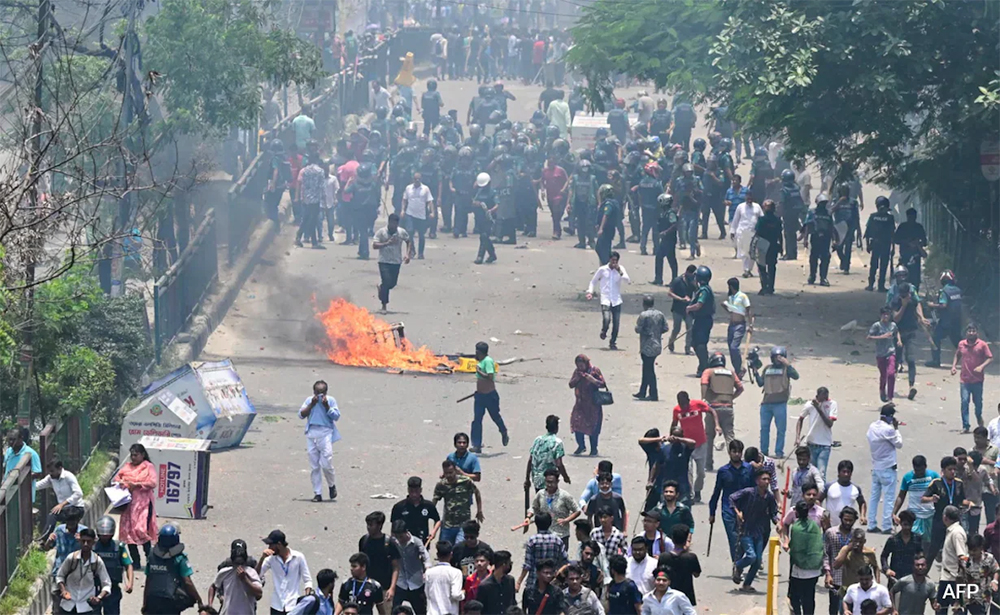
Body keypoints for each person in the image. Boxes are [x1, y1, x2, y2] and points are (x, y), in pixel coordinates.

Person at [730, 468, 779, 593]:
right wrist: (738, 513)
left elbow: (773, 513)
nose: (767, 482)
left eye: (768, 479)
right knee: (751, 556)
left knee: (757, 561)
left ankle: (746, 584)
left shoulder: (769, 497)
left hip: (760, 532)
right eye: (764, 479)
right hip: (746, 530)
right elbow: (732, 498)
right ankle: (738, 565)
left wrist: (778, 523)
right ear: (757, 481)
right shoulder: (748, 492)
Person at [887, 266, 930, 401]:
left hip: (910, 331)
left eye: (903, 275)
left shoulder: (911, 290)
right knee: (896, 361)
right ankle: (890, 387)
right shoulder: (893, 294)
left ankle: (911, 386)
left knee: (911, 359)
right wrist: (903, 305)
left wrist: (921, 317)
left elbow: (917, 304)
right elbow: (895, 317)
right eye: (899, 276)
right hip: (898, 333)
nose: (902, 278)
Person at [143, 524, 206, 615]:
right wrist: (198, 599)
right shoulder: (180, 558)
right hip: (171, 601)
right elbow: (187, 582)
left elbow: (148, 581)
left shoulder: (152, 556)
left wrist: (145, 603)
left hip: (153, 600)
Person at [671, 391, 721, 501]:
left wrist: (717, 425)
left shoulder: (698, 404)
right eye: (680, 404)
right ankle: (690, 494)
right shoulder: (677, 410)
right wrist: (671, 439)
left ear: (688, 401)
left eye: (684, 404)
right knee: (688, 471)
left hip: (701, 443)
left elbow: (712, 411)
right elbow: (674, 424)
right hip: (686, 445)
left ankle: (698, 490)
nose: (682, 406)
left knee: (701, 473)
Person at [709, 439, 753, 563]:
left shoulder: (749, 469)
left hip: (746, 509)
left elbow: (754, 489)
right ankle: (737, 565)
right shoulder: (723, 471)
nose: (737, 454)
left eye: (739, 452)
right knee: (733, 538)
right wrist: (712, 513)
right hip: (728, 510)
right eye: (734, 451)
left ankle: (740, 560)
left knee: (745, 538)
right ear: (729, 452)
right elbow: (717, 492)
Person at [115, 442, 157, 568]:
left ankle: (150, 560)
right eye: (132, 455)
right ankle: (136, 562)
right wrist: (123, 483)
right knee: (128, 534)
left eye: (136, 455)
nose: (133, 458)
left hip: (143, 505)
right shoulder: (126, 467)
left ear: (142, 455)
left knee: (141, 531)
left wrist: (137, 484)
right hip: (128, 505)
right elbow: (117, 479)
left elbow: (153, 482)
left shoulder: (148, 467)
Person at [921, 456, 969, 564]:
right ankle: (922, 575)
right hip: (940, 520)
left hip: (955, 522)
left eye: (954, 469)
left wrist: (969, 503)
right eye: (950, 469)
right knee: (932, 550)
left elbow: (962, 500)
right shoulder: (936, 483)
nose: (952, 472)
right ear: (943, 471)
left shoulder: (959, 483)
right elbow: (923, 499)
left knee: (958, 548)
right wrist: (931, 499)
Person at [700, 351, 744, 471]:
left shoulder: (708, 371)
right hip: (728, 408)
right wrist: (731, 398)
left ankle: (708, 464)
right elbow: (740, 388)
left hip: (712, 407)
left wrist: (703, 399)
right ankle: (736, 461)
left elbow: (704, 383)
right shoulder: (731, 373)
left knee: (709, 436)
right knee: (729, 436)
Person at [299, 380, 341, 502]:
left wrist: (326, 406)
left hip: (325, 433)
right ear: (314, 392)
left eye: (322, 393)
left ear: (326, 393)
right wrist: (311, 404)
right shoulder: (309, 401)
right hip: (311, 433)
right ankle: (317, 493)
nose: (319, 396)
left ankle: (331, 485)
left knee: (327, 463)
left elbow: (336, 416)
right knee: (314, 466)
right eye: (317, 393)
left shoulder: (331, 401)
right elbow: (301, 415)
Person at [55, 528, 111, 615]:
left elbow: (107, 584)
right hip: (68, 605)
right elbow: (60, 576)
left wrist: (98, 598)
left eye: (88, 541)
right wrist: (63, 591)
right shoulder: (71, 558)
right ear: (79, 541)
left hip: (86, 608)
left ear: (93, 542)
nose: (85, 544)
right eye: (83, 541)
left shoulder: (97, 561)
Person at [256, 529, 313, 614]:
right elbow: (257, 575)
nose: (269, 548)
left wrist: (307, 597)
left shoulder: (298, 557)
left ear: (279, 544)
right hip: (276, 605)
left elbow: (307, 580)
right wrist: (262, 559)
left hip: (293, 605)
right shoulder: (271, 559)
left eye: (271, 545)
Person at [867, 404, 903, 534]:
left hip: (876, 466)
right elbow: (899, 444)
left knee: (874, 497)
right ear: (890, 417)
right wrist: (896, 428)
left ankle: (871, 523)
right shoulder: (889, 430)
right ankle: (887, 525)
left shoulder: (872, 427)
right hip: (888, 467)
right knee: (888, 498)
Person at [785, 500, 825, 615]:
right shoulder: (814, 526)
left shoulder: (796, 528)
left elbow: (795, 549)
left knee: (795, 596)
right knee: (809, 597)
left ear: (796, 512)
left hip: (799, 569)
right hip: (814, 569)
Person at [952, 323, 994, 433]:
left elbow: (990, 358)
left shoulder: (982, 345)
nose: (971, 333)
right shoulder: (962, 344)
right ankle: (966, 426)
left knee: (978, 403)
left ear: (977, 332)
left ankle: (979, 416)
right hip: (964, 379)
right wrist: (954, 366)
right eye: (969, 331)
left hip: (977, 380)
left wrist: (981, 367)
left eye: (973, 331)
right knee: (964, 402)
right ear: (966, 333)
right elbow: (957, 354)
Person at [893, 455, 940, 550]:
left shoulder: (933, 476)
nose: (918, 473)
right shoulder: (907, 477)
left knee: (928, 543)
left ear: (925, 466)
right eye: (916, 470)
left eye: (921, 470)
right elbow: (901, 496)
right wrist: (894, 513)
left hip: (929, 515)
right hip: (914, 517)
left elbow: (941, 491)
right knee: (913, 541)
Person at [586, 251, 630, 350]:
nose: (614, 262)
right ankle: (604, 330)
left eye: (616, 260)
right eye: (613, 260)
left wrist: (619, 271)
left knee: (616, 323)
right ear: (609, 259)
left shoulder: (620, 269)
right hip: (605, 298)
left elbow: (628, 281)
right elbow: (593, 281)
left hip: (616, 299)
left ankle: (613, 342)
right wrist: (590, 292)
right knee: (606, 319)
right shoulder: (602, 270)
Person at [470, 340, 508, 453]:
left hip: (490, 396)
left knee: (495, 416)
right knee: (477, 420)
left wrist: (479, 371)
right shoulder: (481, 361)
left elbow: (490, 377)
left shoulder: (488, 361)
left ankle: (503, 431)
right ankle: (476, 445)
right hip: (480, 396)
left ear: (479, 352)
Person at [516, 512, 569, 594]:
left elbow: (527, 564)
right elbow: (565, 561)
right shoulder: (557, 540)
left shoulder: (532, 540)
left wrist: (519, 582)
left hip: (534, 582)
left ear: (536, 524)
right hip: (553, 583)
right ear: (550, 523)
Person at [434, 460, 484, 545]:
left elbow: (477, 493)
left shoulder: (466, 481)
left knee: (459, 548)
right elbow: (434, 500)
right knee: (444, 549)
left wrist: (479, 510)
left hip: (463, 523)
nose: (449, 475)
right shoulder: (441, 485)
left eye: (451, 472)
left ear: (455, 471)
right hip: (448, 524)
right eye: (446, 473)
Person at [528, 470, 581, 550]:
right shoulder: (540, 494)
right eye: (547, 482)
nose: (549, 485)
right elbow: (534, 507)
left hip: (561, 535)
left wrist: (566, 520)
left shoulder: (564, 496)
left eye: (552, 482)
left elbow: (577, 510)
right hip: (544, 535)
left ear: (557, 481)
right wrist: (528, 517)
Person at [208, 539, 263, 615]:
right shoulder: (225, 570)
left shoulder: (251, 571)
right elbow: (213, 586)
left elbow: (259, 594)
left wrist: (245, 579)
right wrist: (210, 605)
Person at [92, 517, 134, 615]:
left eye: (107, 535)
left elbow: (128, 565)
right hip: (94, 587)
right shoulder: (92, 546)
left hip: (112, 588)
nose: (105, 537)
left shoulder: (118, 547)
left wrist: (130, 583)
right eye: (102, 535)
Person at [359, 512, 401, 610]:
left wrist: (392, 588)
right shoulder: (364, 541)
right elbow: (361, 563)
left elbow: (396, 567)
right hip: (367, 586)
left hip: (385, 587)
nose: (368, 527)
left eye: (371, 525)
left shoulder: (389, 542)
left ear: (379, 525)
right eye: (367, 524)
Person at [37, 457, 84, 542]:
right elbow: (39, 485)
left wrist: (62, 504)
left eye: (52, 471)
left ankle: (44, 538)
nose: (50, 473)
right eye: (49, 471)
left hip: (76, 507)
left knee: (54, 515)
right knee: (54, 518)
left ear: (60, 468)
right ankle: (47, 540)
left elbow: (79, 493)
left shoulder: (68, 476)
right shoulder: (51, 478)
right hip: (65, 509)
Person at [795, 387, 838, 481]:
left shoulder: (832, 404)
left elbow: (829, 424)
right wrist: (797, 437)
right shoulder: (809, 405)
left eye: (826, 397)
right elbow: (800, 419)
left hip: (825, 444)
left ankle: (821, 494)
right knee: (810, 474)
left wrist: (818, 408)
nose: (825, 400)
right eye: (823, 398)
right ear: (817, 396)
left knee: (821, 474)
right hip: (811, 443)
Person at [372, 213, 413, 312]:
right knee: (386, 282)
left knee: (392, 284)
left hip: (396, 261)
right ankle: (384, 306)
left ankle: (381, 288)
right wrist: (386, 243)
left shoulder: (401, 232)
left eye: (395, 224)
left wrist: (408, 254)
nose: (393, 226)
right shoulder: (381, 232)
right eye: (392, 223)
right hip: (384, 261)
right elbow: (374, 245)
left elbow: (408, 241)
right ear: (389, 222)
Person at [824, 507, 860, 613]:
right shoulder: (831, 533)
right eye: (846, 520)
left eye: (851, 520)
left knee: (849, 610)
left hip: (852, 579)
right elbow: (826, 554)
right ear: (841, 518)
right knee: (834, 608)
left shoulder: (857, 535)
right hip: (835, 578)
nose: (848, 523)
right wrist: (828, 573)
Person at [569, 354, 606, 456]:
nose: (580, 368)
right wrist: (578, 378)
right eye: (578, 365)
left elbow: (603, 384)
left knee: (593, 427)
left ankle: (594, 449)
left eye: (582, 365)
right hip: (580, 404)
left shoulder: (594, 371)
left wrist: (592, 380)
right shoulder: (577, 372)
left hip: (593, 405)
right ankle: (581, 446)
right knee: (577, 424)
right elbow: (571, 384)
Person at [634, 295, 668, 402]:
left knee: (649, 370)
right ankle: (642, 391)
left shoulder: (643, 315)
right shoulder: (660, 314)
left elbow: (638, 329)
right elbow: (665, 328)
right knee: (647, 368)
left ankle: (653, 393)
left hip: (646, 345)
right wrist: (656, 332)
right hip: (657, 344)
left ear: (644, 304)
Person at [926, 270, 964, 367]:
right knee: (958, 342)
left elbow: (943, 305)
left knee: (935, 338)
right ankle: (971, 358)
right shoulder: (958, 290)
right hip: (957, 320)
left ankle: (936, 361)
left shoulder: (944, 292)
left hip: (946, 321)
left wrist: (932, 305)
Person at [390, 520, 429, 613]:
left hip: (416, 583)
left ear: (406, 532)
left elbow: (426, 558)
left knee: (420, 611)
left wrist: (427, 571)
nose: (399, 539)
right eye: (397, 536)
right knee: (395, 611)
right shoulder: (393, 542)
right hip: (400, 583)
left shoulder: (416, 542)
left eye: (401, 536)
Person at [657, 524, 701, 607]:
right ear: (686, 540)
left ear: (672, 539)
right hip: (686, 595)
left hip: (668, 595)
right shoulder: (691, 557)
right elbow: (696, 574)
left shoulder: (663, 557)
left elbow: (659, 573)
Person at [936, 506, 968, 614]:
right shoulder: (951, 531)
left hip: (952, 579)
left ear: (945, 517)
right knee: (941, 608)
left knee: (956, 609)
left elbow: (962, 557)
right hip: (947, 577)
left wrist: (962, 579)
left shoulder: (956, 533)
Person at [801, 193, 838, 286]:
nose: (823, 205)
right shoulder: (812, 212)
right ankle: (812, 276)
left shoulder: (828, 213)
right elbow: (807, 226)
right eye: (821, 203)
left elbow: (831, 227)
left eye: (824, 203)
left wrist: (834, 240)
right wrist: (805, 239)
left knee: (825, 258)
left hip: (826, 238)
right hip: (815, 237)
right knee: (813, 257)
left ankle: (823, 278)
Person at [527, 414, 571, 494]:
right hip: (550, 480)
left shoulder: (538, 440)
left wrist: (527, 479)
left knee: (540, 501)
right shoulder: (557, 442)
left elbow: (530, 460)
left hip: (537, 480)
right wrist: (566, 477)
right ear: (557, 428)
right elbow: (559, 464)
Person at [867, 307, 902, 402]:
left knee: (891, 374)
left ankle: (890, 397)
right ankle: (882, 389)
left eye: (887, 314)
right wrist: (882, 337)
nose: (886, 316)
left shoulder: (892, 325)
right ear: (880, 315)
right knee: (883, 375)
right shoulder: (877, 325)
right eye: (884, 314)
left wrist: (899, 340)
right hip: (880, 353)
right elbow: (869, 337)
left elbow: (897, 331)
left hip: (891, 352)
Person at [685, 265, 715, 375]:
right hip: (700, 320)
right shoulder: (702, 289)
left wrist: (689, 308)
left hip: (704, 321)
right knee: (695, 342)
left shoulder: (704, 291)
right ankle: (703, 365)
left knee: (700, 344)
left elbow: (699, 304)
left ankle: (704, 367)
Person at [880, 509, 921, 587]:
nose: (907, 528)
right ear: (901, 523)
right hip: (895, 577)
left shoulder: (917, 538)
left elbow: (920, 555)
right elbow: (884, 556)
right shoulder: (893, 540)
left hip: (911, 577)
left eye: (909, 525)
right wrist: (887, 569)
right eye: (905, 525)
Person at [863, 196, 896, 292]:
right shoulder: (890, 218)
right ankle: (880, 286)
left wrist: (868, 244)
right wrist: (893, 247)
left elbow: (868, 232)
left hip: (876, 244)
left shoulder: (873, 216)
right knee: (883, 265)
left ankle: (871, 284)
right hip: (885, 244)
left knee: (874, 264)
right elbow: (892, 233)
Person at [425, 542, 464, 615]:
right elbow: (456, 594)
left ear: (437, 555)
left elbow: (427, 593)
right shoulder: (456, 572)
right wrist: (463, 593)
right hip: (450, 612)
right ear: (451, 554)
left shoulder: (429, 572)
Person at [400, 172, 433, 260]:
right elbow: (404, 200)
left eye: (419, 179)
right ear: (413, 179)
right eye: (415, 179)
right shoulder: (408, 188)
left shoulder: (425, 189)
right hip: (410, 214)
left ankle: (421, 253)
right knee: (409, 233)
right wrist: (403, 210)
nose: (417, 180)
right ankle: (412, 250)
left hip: (421, 215)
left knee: (421, 235)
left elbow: (430, 201)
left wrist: (432, 212)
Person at [754, 199, 784, 295]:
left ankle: (764, 286)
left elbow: (757, 233)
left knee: (762, 266)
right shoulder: (777, 220)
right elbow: (780, 234)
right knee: (772, 267)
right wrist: (781, 247)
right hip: (773, 246)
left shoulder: (761, 220)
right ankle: (770, 287)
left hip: (763, 245)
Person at [892, 208, 926, 290]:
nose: (911, 219)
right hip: (904, 255)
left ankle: (915, 293)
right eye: (910, 217)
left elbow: (924, 242)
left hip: (916, 255)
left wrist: (917, 243)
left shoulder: (919, 227)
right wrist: (906, 242)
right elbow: (896, 239)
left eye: (913, 217)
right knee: (903, 275)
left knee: (916, 277)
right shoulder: (902, 227)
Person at [665, 266, 695, 354]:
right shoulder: (677, 281)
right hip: (677, 309)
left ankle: (687, 348)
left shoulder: (692, 282)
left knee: (690, 328)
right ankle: (671, 342)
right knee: (676, 329)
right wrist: (680, 298)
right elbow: (670, 293)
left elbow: (697, 292)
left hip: (688, 309)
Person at [731, 197, 763, 278]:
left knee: (752, 253)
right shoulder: (740, 207)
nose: (749, 200)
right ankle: (746, 270)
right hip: (743, 232)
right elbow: (736, 219)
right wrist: (732, 231)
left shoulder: (757, 207)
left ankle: (749, 269)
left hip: (754, 233)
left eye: (750, 198)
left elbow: (762, 219)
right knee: (745, 252)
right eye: (748, 198)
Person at [476, 550, 515, 615]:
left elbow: (513, 603)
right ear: (504, 564)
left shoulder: (510, 581)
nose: (510, 566)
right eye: (509, 563)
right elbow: (480, 609)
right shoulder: (485, 586)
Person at [595, 184, 622, 265]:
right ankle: (604, 267)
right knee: (605, 248)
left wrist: (601, 228)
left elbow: (606, 215)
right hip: (610, 229)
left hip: (606, 230)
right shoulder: (613, 202)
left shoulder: (608, 204)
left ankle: (607, 265)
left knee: (600, 248)